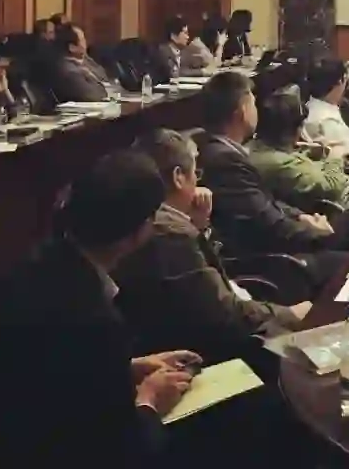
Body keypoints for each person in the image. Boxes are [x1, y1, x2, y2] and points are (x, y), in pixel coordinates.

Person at [0, 151, 197, 467]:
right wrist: (150, 401)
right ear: (141, 230)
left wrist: (126, 368)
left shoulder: (36, 263)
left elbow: (53, 378)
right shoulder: (95, 319)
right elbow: (122, 450)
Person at [114, 129, 309, 363]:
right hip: (219, 349)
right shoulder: (171, 234)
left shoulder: (160, 222)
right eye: (196, 172)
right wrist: (289, 314)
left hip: (226, 317)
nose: (198, 181)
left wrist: (199, 224)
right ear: (178, 177)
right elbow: (226, 316)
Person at [193, 71, 349, 263]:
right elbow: (265, 223)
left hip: (276, 239)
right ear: (243, 112)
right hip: (262, 259)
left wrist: (300, 217)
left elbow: (264, 202)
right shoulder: (225, 161)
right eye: (253, 103)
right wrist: (314, 233)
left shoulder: (218, 149)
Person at [251, 86, 349, 215]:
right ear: (293, 130)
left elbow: (302, 171)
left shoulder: (264, 149)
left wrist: (311, 153)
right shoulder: (281, 165)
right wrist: (335, 158)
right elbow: (332, 187)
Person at [52, 24, 110, 102]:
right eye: (82, 40)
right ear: (72, 47)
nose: (86, 43)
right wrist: (89, 76)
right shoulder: (69, 70)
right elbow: (95, 95)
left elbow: (104, 77)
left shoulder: (86, 60)